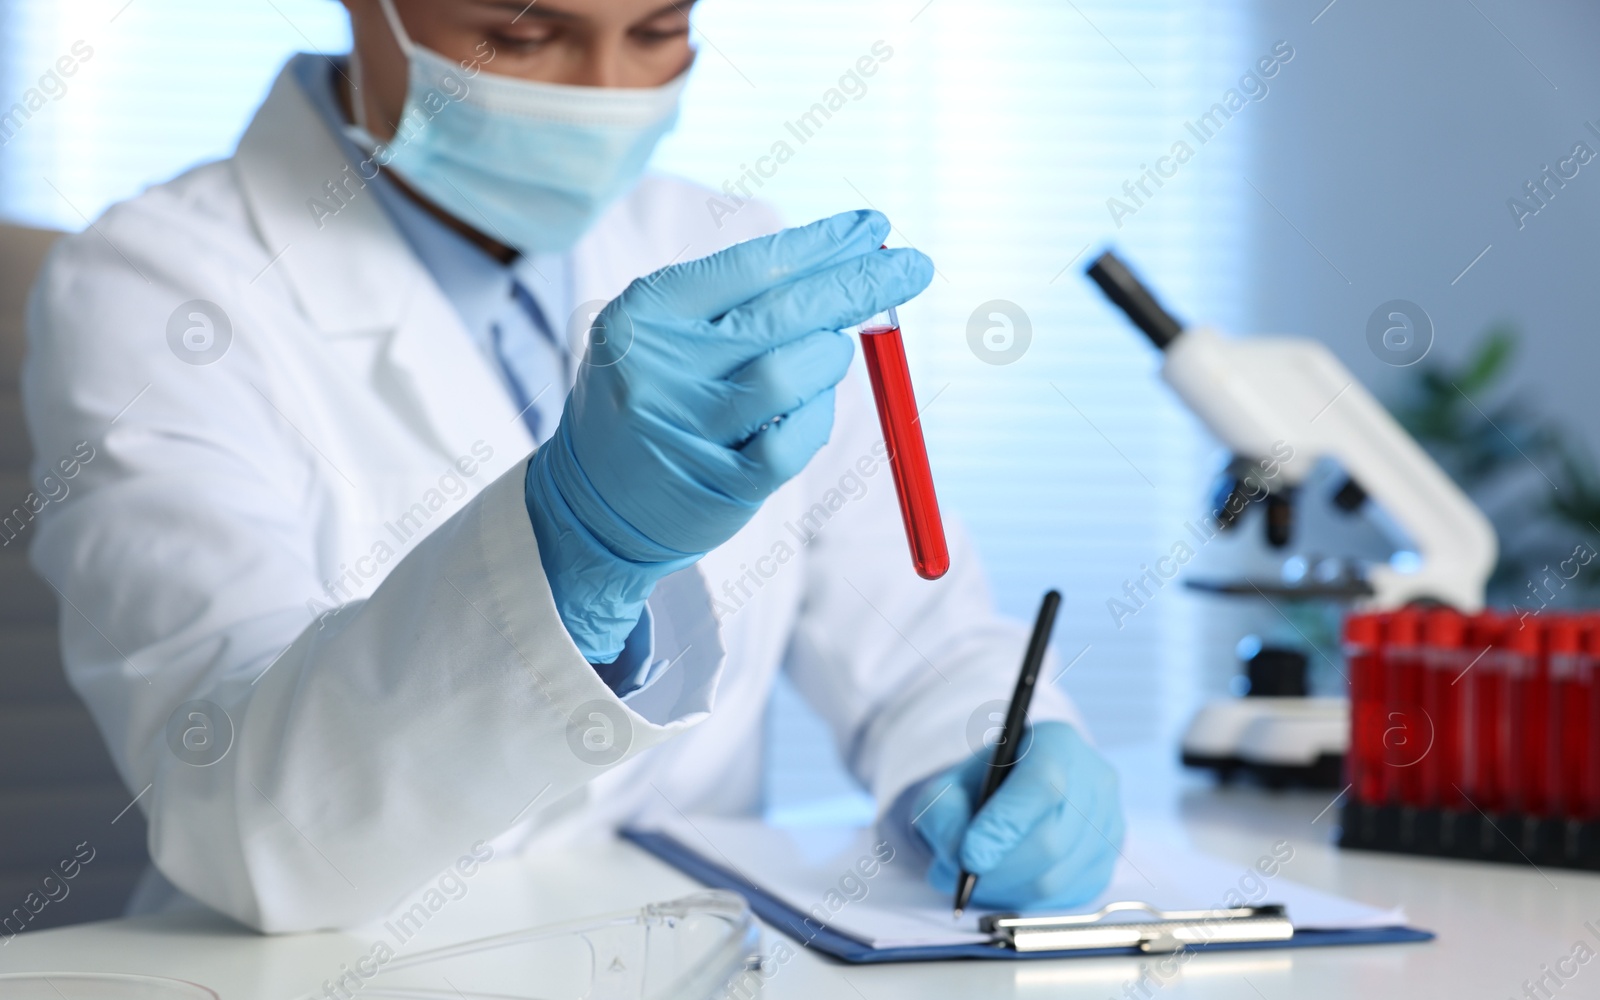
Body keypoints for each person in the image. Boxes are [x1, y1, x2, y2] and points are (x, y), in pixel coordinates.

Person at [21, 0, 1124, 933]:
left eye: (656, 31)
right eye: (525, 29)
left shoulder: (727, 241)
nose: (603, 91)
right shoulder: (151, 287)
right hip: (327, 990)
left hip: (687, 974)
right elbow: (239, 815)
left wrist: (985, 748)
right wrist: (576, 550)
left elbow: (921, 644)